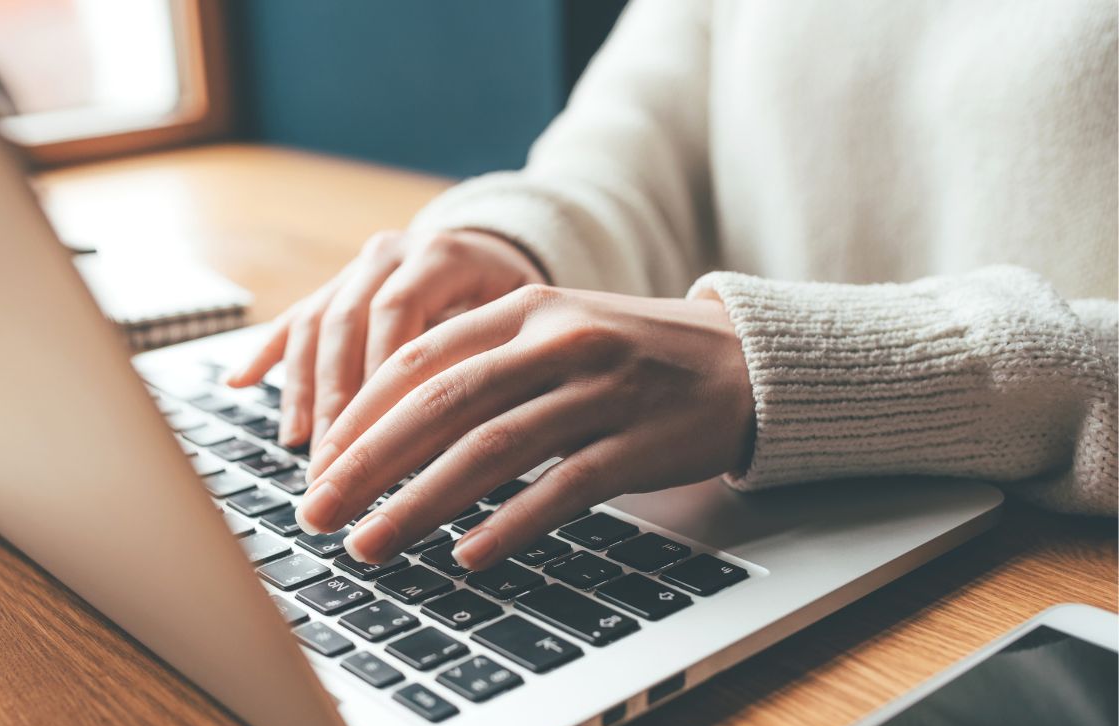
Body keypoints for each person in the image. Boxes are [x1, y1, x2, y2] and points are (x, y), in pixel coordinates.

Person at [227, 0, 1117, 571]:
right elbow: (639, 143)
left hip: (1050, 584)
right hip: (766, 522)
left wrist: (791, 368)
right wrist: (513, 243)